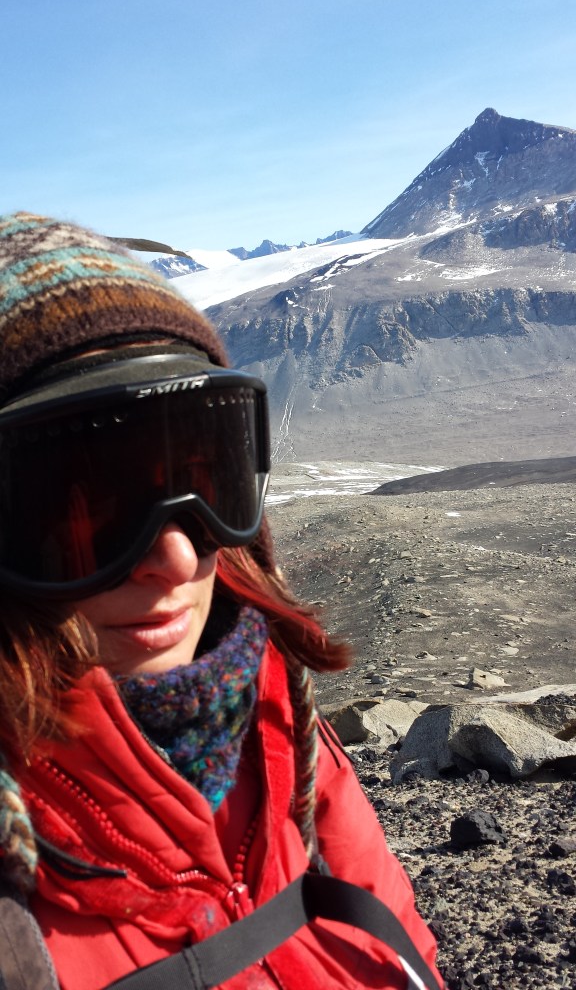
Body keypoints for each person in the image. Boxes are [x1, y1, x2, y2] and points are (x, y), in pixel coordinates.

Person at [0, 212, 444, 990]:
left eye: (207, 481)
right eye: (86, 514)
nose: (175, 558)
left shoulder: (277, 722)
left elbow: (401, 946)